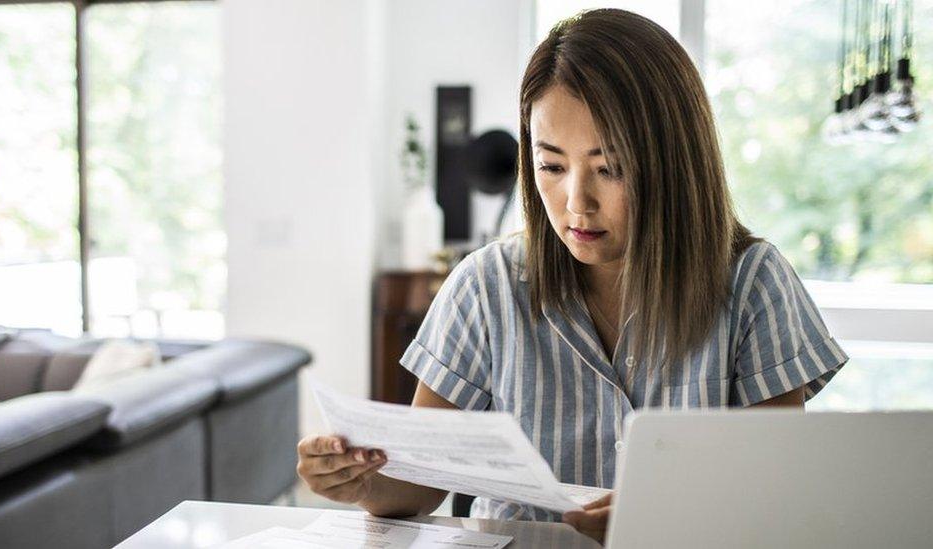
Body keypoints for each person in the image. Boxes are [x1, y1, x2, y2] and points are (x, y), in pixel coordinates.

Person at [296, 8, 848, 543]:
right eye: (552, 166)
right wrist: (362, 481)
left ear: (674, 163)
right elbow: (417, 485)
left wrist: (663, 516)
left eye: (611, 169)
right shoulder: (487, 285)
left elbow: (779, 493)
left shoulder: (754, 284)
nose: (575, 202)